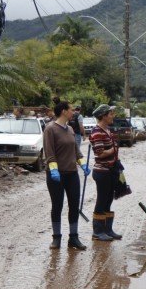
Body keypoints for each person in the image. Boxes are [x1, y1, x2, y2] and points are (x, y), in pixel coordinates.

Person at [44, 97, 90, 250]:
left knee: (74, 205)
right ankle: (56, 238)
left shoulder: (70, 129)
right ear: (63, 111)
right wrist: (54, 170)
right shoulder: (50, 129)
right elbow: (49, 152)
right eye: (70, 110)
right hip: (56, 175)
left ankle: (73, 238)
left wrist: (83, 165)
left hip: (71, 174)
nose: (73, 112)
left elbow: (76, 151)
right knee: (57, 206)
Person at [89, 104, 121, 241]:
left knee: (108, 199)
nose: (113, 116)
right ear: (103, 116)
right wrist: (113, 150)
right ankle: (98, 232)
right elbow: (100, 153)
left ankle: (108, 229)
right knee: (101, 200)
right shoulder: (97, 132)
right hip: (102, 172)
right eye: (110, 114)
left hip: (111, 170)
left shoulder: (108, 131)